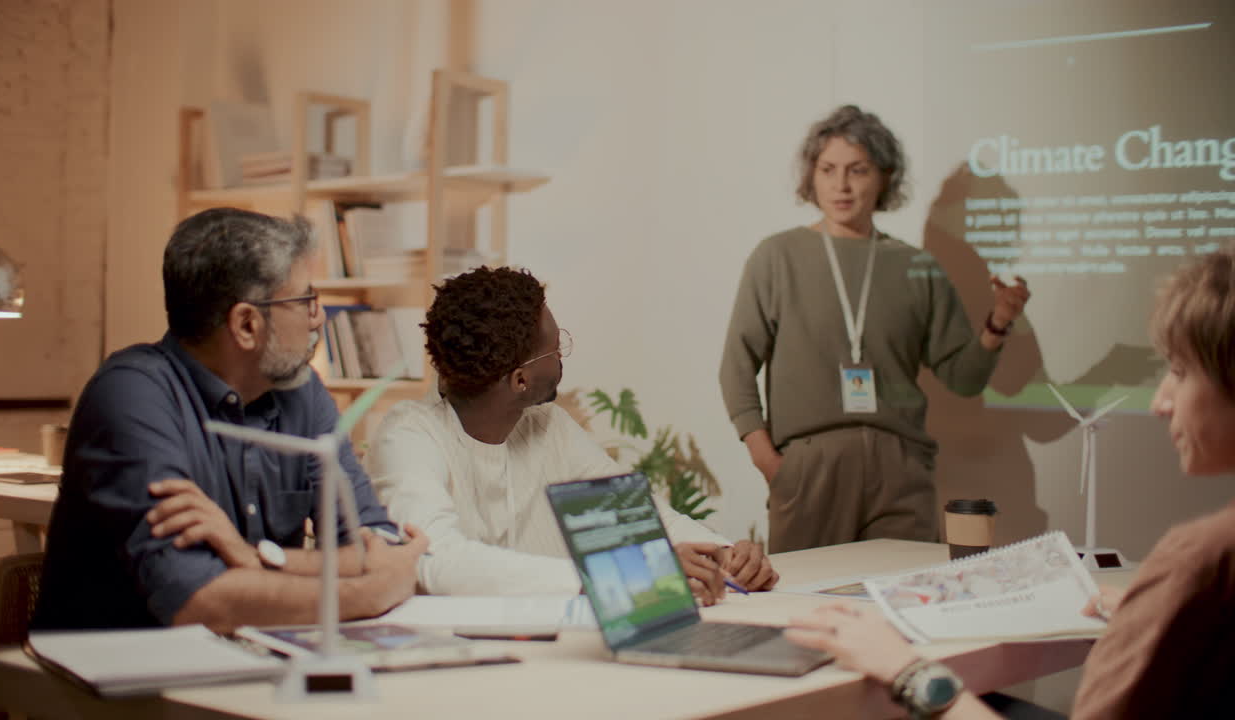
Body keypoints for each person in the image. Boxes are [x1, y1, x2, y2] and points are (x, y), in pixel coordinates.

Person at [784, 247, 1235, 719]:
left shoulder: (1200, 558)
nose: (1161, 402)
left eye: (1180, 372)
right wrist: (1156, 615)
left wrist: (904, 669)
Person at [34, 208, 427, 634]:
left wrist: (256, 556)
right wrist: (367, 595)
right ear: (246, 325)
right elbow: (198, 601)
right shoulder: (131, 395)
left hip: (255, 663)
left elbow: (376, 544)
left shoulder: (301, 391)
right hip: (117, 678)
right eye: (305, 300)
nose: (318, 317)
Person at [719, 105, 1031, 552]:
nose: (841, 185)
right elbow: (735, 366)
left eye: (857, 170)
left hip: (900, 465)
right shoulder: (777, 257)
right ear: (811, 176)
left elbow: (963, 378)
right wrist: (769, 461)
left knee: (900, 601)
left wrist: (998, 322)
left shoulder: (916, 266)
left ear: (884, 176)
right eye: (828, 169)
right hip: (811, 466)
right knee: (808, 603)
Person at [367, 266, 778, 604]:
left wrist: (722, 555)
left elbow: (636, 514)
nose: (563, 357)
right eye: (555, 348)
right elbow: (438, 560)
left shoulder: (549, 426)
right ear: (521, 380)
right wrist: (604, 576)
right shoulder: (408, 436)